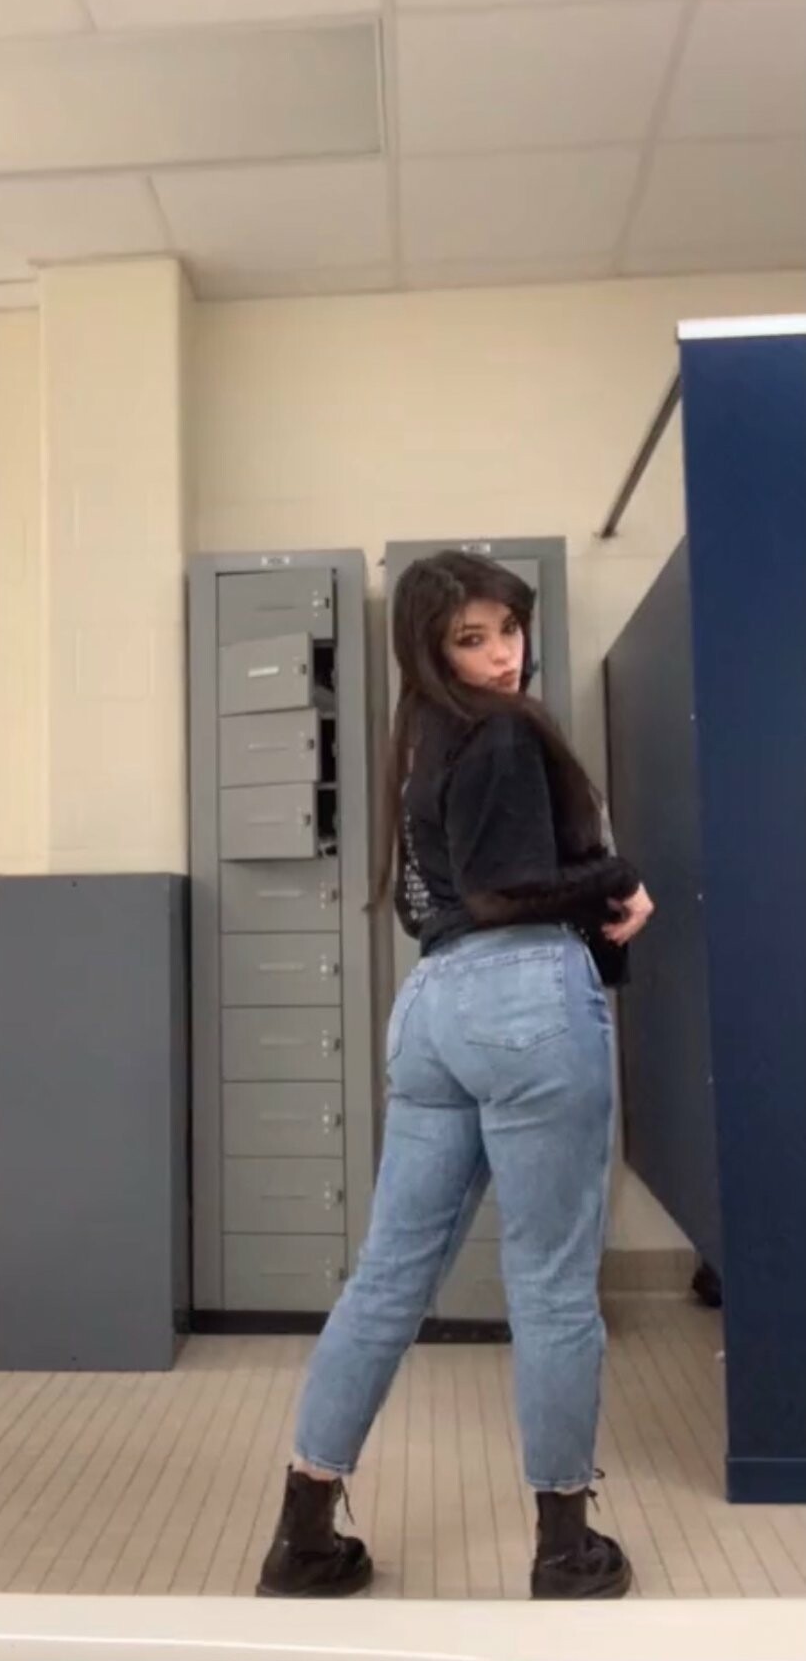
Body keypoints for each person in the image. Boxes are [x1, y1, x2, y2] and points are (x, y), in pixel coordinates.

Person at [257, 551, 654, 1603]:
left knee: (386, 1277)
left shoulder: (418, 742)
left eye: (506, 629)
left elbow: (424, 903)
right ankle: (564, 1549)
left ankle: (303, 1535)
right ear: (430, 651)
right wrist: (616, 879)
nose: (500, 654)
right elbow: (503, 890)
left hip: (432, 1011)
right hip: (526, 1004)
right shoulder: (505, 731)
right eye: (470, 640)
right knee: (552, 1284)